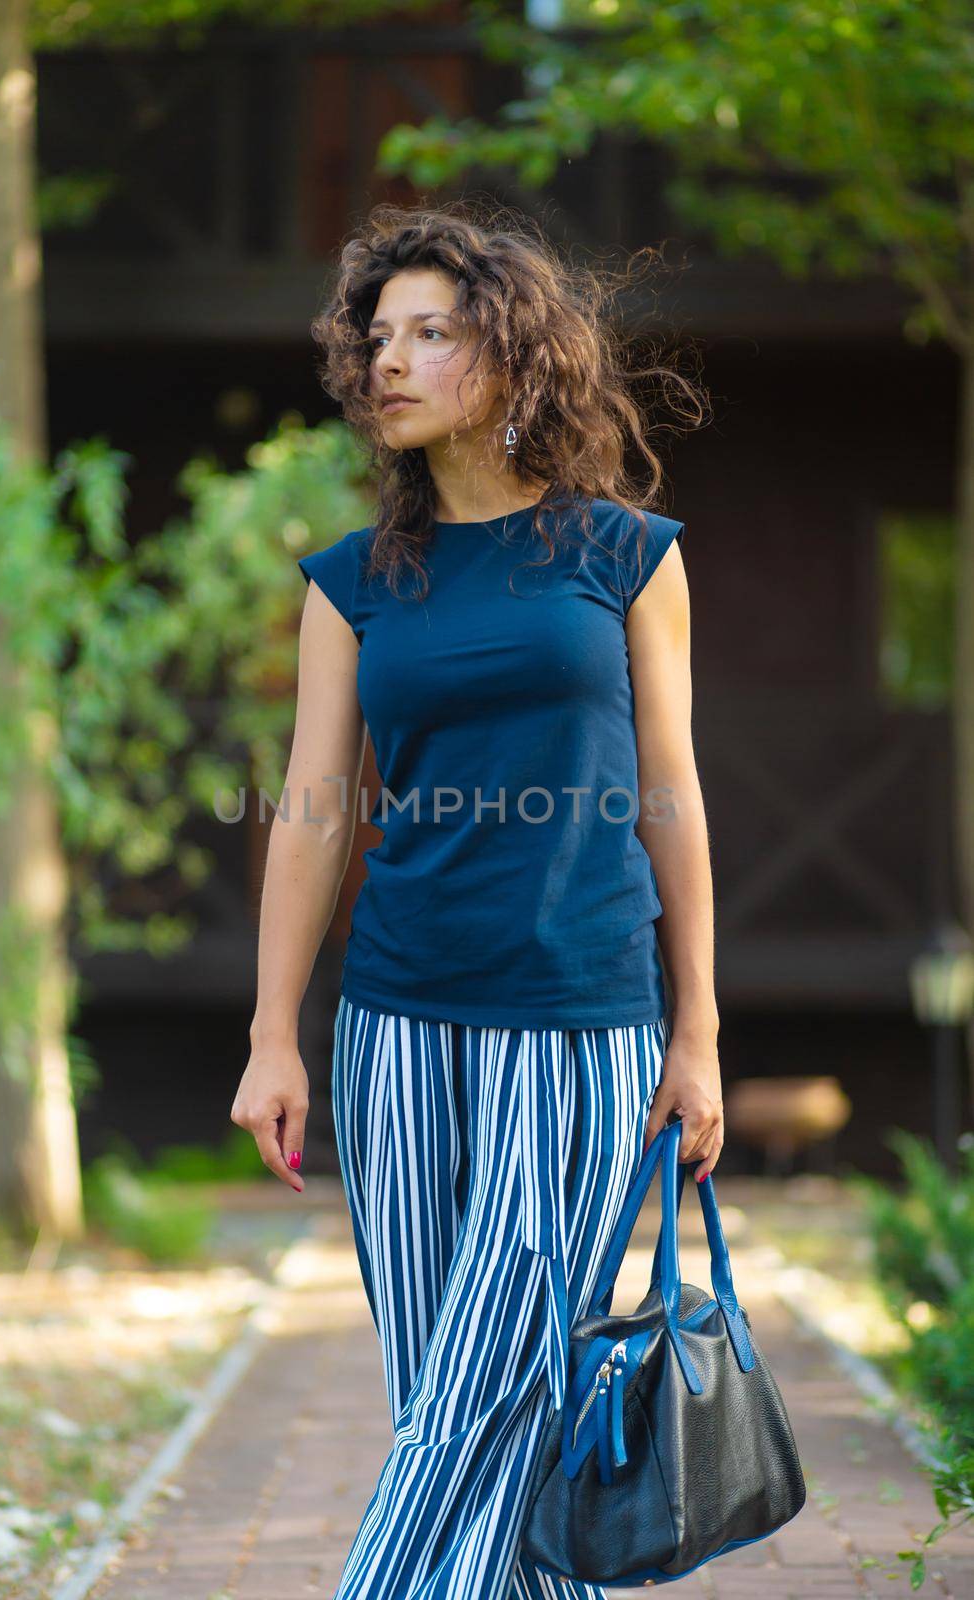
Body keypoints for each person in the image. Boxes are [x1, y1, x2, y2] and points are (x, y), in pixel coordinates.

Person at [231, 200, 724, 1600]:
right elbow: (313, 814)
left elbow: (672, 794)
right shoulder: (353, 583)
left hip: (579, 1017)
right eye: (377, 338)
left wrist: (697, 1033)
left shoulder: (625, 554)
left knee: (487, 1392)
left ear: (510, 358)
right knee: (460, 1405)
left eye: (432, 334)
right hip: (395, 1031)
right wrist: (277, 1031)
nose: (392, 360)